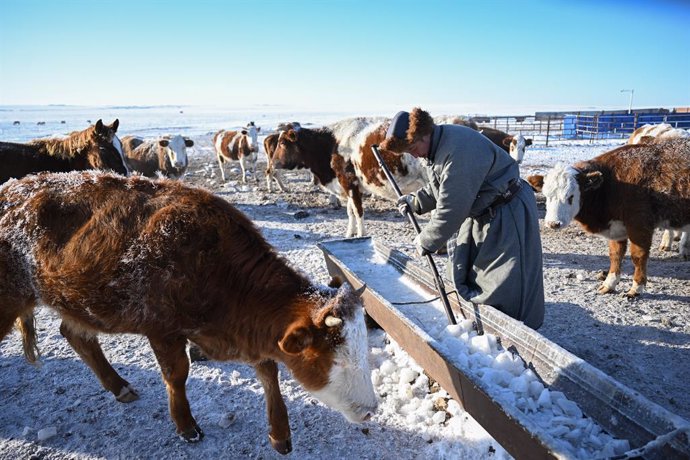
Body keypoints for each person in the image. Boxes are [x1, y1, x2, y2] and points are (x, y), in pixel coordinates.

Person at [380, 108, 544, 329]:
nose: (414, 155)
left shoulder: (458, 150)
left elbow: (451, 208)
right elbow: (441, 185)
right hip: (485, 211)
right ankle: (485, 323)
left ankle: (517, 331)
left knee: (506, 279)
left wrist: (427, 240)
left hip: (507, 212)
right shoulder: (438, 146)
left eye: (413, 148)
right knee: (477, 273)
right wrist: (415, 201)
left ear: (424, 135)